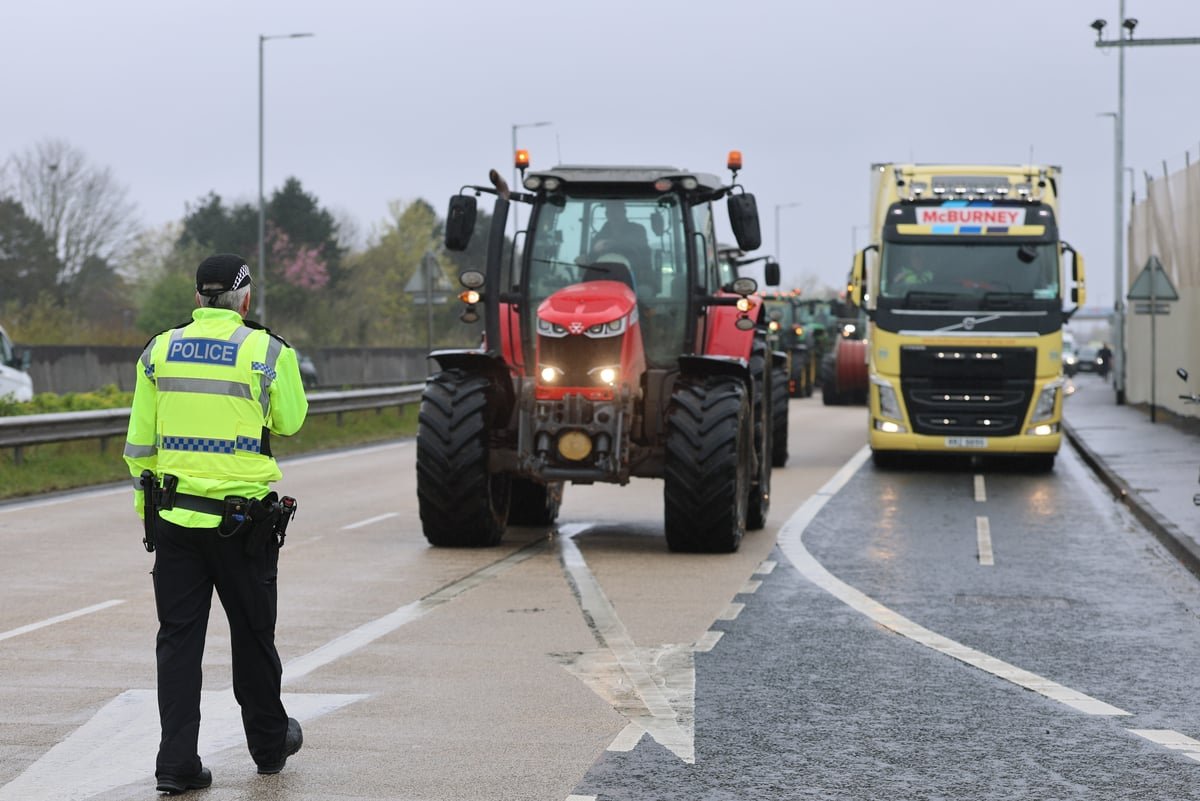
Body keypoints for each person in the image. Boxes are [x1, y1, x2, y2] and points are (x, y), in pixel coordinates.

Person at [123, 253, 309, 794]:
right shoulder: (267, 350)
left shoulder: (159, 350)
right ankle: (269, 746)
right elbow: (291, 421)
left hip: (176, 522)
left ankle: (176, 764)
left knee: (178, 643)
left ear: (197, 297)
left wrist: (150, 514)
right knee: (253, 636)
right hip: (242, 525)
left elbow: (140, 444)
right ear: (244, 299)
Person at [592, 201, 651, 271]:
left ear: (624, 212)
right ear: (607, 215)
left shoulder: (638, 230)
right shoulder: (600, 236)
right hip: (604, 277)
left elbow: (640, 246)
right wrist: (586, 258)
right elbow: (592, 257)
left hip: (635, 275)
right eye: (611, 212)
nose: (615, 215)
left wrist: (610, 243)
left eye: (618, 211)